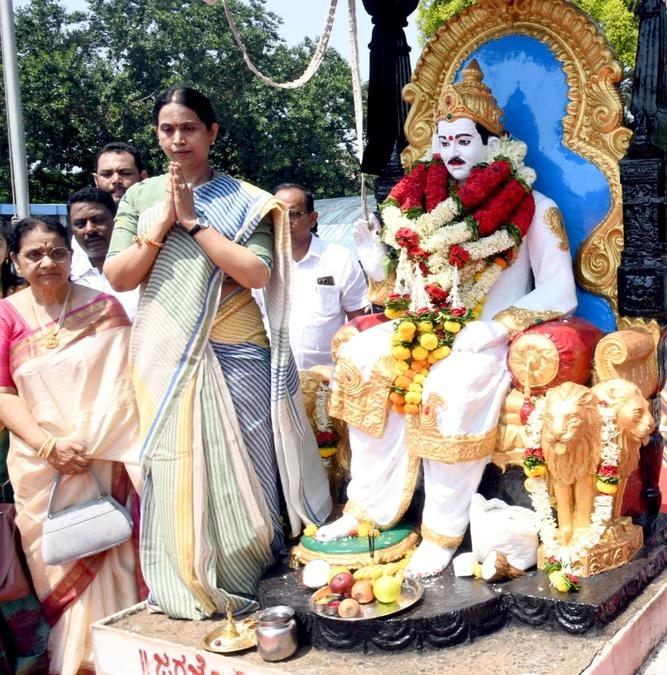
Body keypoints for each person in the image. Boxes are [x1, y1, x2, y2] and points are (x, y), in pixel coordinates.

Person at [318, 60, 577, 578]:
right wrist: (374, 256)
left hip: (487, 337)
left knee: (449, 389)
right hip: (419, 323)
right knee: (361, 361)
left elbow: (561, 290)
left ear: (489, 144)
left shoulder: (533, 207)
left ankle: (441, 530)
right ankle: (365, 507)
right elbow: (398, 290)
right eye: (445, 141)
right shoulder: (417, 212)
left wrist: (496, 327)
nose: (453, 151)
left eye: (464, 140)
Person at [104, 86, 331, 620]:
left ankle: (253, 577)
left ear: (212, 133)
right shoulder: (140, 198)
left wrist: (193, 223)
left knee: (251, 463)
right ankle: (184, 579)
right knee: (172, 460)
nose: (177, 139)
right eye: (167, 129)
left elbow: (256, 272)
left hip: (237, 347)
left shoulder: (245, 198)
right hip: (167, 349)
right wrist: (159, 227)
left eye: (188, 128)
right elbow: (119, 275)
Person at [0, 216, 142, 675]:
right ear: (17, 262)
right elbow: (2, 394)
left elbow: (127, 391)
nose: (47, 261)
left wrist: (93, 442)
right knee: (59, 563)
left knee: (117, 555)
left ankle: (124, 653)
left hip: (108, 461)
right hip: (43, 469)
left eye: (58, 252)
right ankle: (79, 662)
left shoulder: (105, 308)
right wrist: (49, 448)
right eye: (35, 254)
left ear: (71, 256)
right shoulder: (5, 317)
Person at [274, 183, 369, 369]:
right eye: (277, 215)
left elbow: (357, 321)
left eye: (293, 214)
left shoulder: (338, 259)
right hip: (274, 377)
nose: (284, 223)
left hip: (328, 377)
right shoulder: (263, 263)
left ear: (312, 219)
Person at [66, 187, 139, 318]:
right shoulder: (66, 276)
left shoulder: (143, 265)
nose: (90, 229)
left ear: (117, 220)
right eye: (80, 224)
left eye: (98, 220)